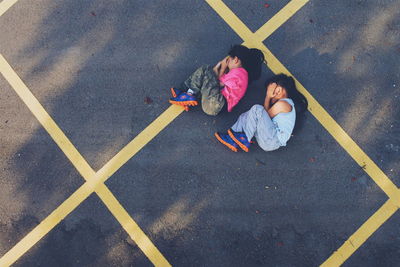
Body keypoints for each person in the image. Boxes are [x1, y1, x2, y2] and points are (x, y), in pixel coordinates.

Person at [215, 74, 308, 152]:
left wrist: (268, 96)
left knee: (257, 109)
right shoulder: (284, 104)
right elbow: (264, 118)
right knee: (247, 114)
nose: (271, 99)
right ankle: (233, 137)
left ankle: (244, 138)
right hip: (267, 137)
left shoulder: (284, 104)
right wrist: (269, 96)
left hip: (272, 140)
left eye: (272, 94)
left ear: (278, 90)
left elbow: (265, 114)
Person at [169, 45, 265, 115]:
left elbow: (218, 83)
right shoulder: (242, 75)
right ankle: (186, 94)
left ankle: (189, 93)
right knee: (207, 75)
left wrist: (220, 68)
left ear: (235, 60)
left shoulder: (238, 73)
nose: (227, 63)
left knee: (206, 70)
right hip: (216, 104)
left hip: (216, 103)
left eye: (229, 60)